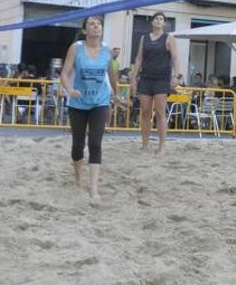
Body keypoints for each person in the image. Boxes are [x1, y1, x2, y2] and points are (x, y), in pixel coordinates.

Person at [60, 15, 120, 199]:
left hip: (100, 102)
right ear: (85, 30)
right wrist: (70, 89)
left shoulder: (107, 51)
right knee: (78, 145)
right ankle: (78, 176)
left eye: (99, 24)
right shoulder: (76, 48)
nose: (96, 26)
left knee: (95, 143)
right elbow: (64, 72)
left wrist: (117, 95)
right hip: (78, 103)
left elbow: (111, 75)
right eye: (92, 24)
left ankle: (94, 188)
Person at [131, 12, 180, 153]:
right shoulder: (144, 38)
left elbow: (175, 58)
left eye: (162, 19)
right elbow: (139, 58)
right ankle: (145, 144)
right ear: (152, 22)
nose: (159, 21)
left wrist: (177, 76)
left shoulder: (168, 38)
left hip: (161, 79)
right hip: (146, 78)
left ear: (164, 23)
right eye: (156, 19)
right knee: (145, 112)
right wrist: (134, 77)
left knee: (159, 112)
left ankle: (162, 146)